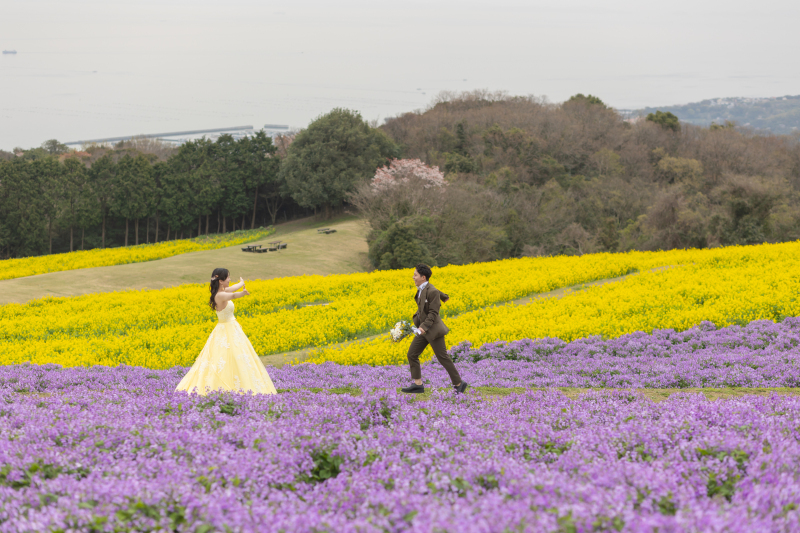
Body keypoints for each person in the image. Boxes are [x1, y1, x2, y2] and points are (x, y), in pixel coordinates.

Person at [175, 268, 277, 395]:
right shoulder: (220, 295)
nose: (229, 280)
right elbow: (233, 295)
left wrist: (241, 283)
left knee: (236, 357)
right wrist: (243, 293)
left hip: (231, 328)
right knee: (226, 357)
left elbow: (233, 289)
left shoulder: (222, 291)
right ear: (221, 281)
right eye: (228, 277)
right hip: (226, 329)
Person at [401, 263, 468, 394]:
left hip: (433, 330)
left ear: (423, 277)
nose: (413, 277)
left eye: (415, 275)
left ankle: (459, 383)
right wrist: (445, 296)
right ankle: (418, 384)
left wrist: (423, 328)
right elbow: (435, 292)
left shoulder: (432, 291)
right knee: (412, 354)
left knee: (442, 357)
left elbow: (433, 313)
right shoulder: (423, 288)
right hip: (423, 329)